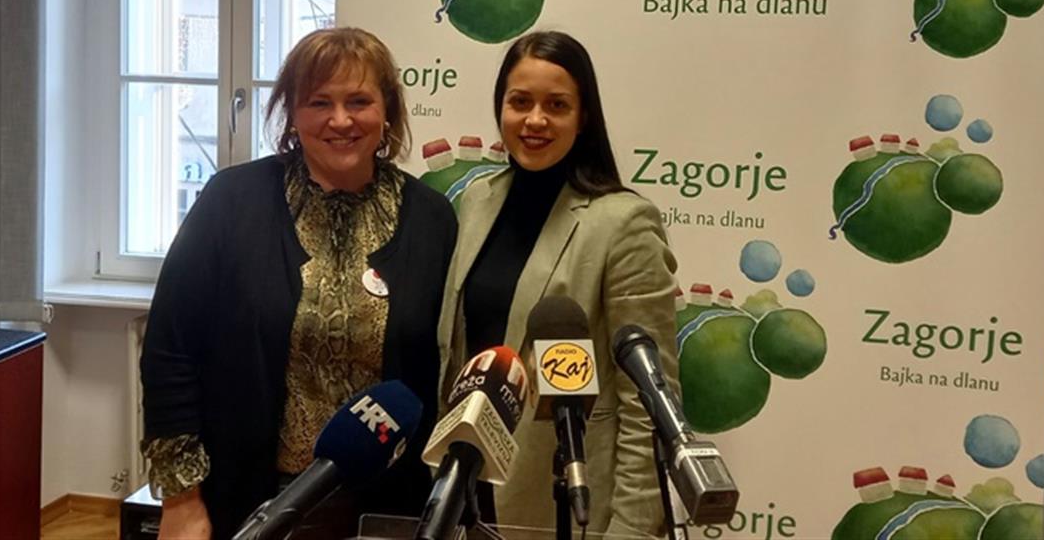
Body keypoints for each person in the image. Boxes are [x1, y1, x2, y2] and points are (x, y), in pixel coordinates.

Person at [141, 27, 458, 540]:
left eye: (359, 101)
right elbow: (170, 351)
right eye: (319, 102)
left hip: (387, 508)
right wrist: (182, 497)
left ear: (388, 111)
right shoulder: (230, 202)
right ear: (292, 113)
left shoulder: (432, 219)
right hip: (248, 501)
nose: (340, 120)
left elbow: (438, 369)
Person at [435, 30, 679, 536]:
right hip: (466, 496)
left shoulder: (624, 223)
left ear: (583, 116)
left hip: (566, 505)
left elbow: (649, 401)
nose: (535, 120)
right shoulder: (478, 200)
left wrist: (632, 529)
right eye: (520, 102)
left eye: (557, 105)